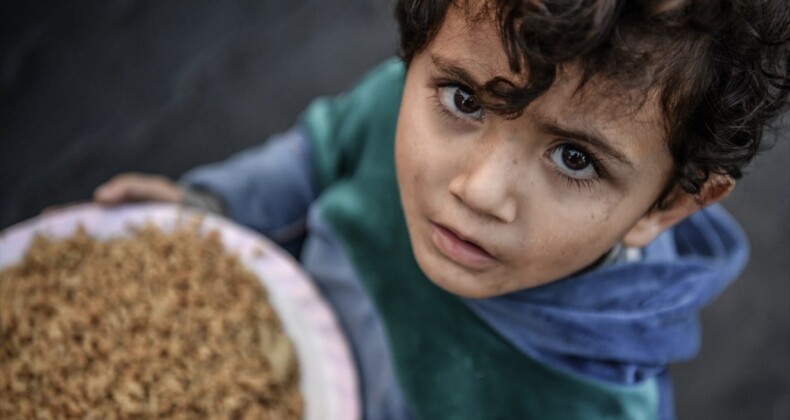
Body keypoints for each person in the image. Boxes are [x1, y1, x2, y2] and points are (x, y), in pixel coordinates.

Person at [93, 0, 789, 418]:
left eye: (575, 158)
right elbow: (318, 152)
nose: (478, 191)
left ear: (665, 207)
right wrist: (209, 206)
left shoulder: (591, 404)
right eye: (463, 101)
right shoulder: (396, 98)